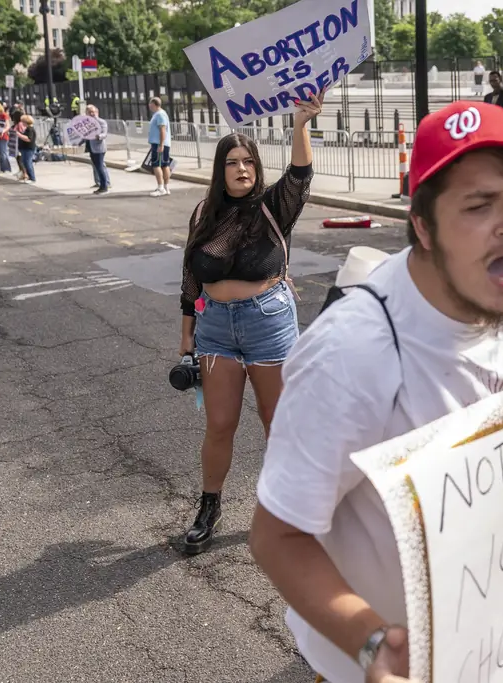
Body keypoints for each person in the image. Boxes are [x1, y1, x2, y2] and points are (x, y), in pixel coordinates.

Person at [248, 100, 503, 683]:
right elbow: (276, 535)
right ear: (423, 226)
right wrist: (372, 642)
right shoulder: (350, 355)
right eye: (479, 205)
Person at [177, 92, 323, 555]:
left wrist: (300, 125)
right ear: (220, 171)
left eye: (249, 162)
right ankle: (209, 506)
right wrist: (186, 338)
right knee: (219, 423)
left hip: (268, 323)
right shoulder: (203, 214)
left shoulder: (274, 207)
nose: (242, 169)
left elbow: (300, 175)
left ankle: (292, 510)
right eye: (232, 163)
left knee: (277, 422)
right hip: (216, 327)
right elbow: (190, 279)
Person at [147, 97, 172, 197]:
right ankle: (165, 187)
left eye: (150, 104)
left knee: (157, 164)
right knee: (164, 165)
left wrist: (161, 144)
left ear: (154, 104)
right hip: (161, 143)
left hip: (159, 143)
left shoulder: (160, 115)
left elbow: (162, 130)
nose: (149, 106)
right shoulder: (160, 114)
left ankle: (161, 187)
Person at [85, 105, 111, 195]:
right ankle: (100, 184)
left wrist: (98, 136)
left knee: (100, 167)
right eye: (89, 112)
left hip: (99, 148)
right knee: (96, 167)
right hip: (91, 147)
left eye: (93, 112)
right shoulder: (87, 122)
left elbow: (104, 134)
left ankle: (105, 186)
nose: (92, 114)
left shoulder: (101, 122)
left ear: (97, 112)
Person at [16, 115, 38, 183]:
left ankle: (32, 178)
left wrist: (19, 135)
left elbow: (28, 139)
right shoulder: (27, 128)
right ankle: (28, 176)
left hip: (28, 148)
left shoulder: (30, 129)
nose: (22, 123)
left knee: (28, 163)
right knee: (25, 163)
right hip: (24, 148)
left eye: (23, 122)